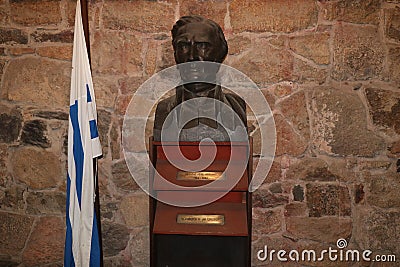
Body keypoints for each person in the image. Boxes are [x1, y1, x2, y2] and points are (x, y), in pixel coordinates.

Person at [153, 15, 247, 141]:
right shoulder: (164, 110)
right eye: (184, 46)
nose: (192, 56)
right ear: (176, 54)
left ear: (219, 54)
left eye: (202, 46)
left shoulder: (236, 107)